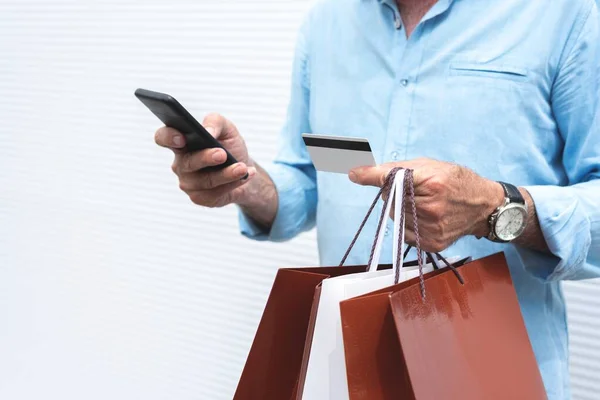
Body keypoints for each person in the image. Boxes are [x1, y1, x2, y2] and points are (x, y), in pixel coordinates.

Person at [154, 0, 600, 398]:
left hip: (495, 372)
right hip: (349, 368)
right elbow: (311, 180)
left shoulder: (567, 13)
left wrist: (494, 209)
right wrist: (244, 182)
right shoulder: (325, 22)